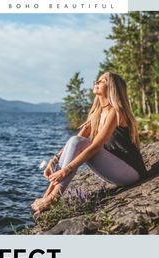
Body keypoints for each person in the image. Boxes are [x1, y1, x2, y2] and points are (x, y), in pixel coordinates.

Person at [31, 71, 146, 216]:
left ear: (112, 87)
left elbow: (95, 147)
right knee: (75, 141)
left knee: (81, 143)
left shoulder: (116, 112)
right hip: (116, 170)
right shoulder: (97, 113)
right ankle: (48, 196)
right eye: (97, 80)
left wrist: (65, 170)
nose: (97, 82)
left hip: (131, 172)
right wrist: (54, 160)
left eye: (103, 81)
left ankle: (53, 198)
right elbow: (73, 143)